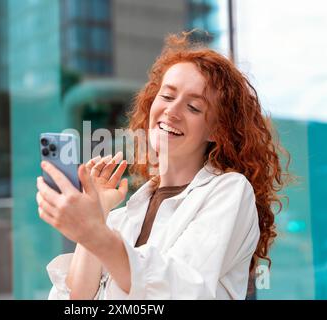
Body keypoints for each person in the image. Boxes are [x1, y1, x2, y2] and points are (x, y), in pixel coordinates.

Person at [36, 32, 290, 299]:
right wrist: (97, 215)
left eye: (193, 107)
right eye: (167, 97)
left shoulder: (229, 191)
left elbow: (182, 289)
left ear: (217, 130)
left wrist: (95, 233)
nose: (172, 111)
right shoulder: (122, 217)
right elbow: (76, 301)